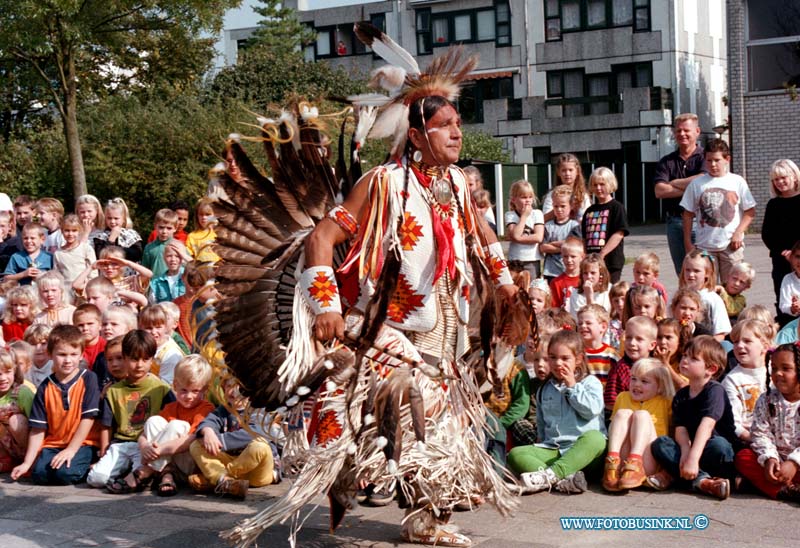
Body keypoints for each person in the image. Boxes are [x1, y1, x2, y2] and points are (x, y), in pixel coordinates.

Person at [507, 329, 606, 494]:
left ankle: (550, 476)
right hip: (556, 449)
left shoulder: (590, 382)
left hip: (585, 454)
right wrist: (540, 444)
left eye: (565, 358)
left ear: (579, 359)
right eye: (552, 357)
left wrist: (572, 386)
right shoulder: (544, 389)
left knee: (596, 439)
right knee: (515, 454)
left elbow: (591, 411)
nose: (558, 363)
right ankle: (566, 479)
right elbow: (541, 425)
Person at [107, 354, 214, 496]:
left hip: (188, 463)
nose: (189, 396)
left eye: (195, 391)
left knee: (177, 425)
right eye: (183, 390)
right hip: (166, 462)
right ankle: (165, 475)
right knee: (154, 421)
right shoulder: (170, 407)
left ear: (205, 390)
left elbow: (190, 440)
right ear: (175, 386)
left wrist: (159, 450)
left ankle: (145, 472)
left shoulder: (206, 408)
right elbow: (143, 435)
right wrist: (145, 447)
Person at [649, 335, 738, 499]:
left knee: (720, 444)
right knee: (661, 444)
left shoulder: (715, 391)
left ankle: (678, 476)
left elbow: (707, 425)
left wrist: (693, 458)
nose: (685, 360)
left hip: (713, 452)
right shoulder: (681, 396)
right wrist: (685, 452)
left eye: (693, 358)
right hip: (691, 451)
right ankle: (704, 483)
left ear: (711, 369)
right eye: (684, 355)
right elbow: (680, 429)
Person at [10, 325, 100, 484]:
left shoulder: (89, 379)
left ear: (81, 355)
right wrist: (27, 463)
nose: (68, 360)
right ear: (50, 354)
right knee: (39, 475)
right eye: (62, 354)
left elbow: (88, 418)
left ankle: (90, 466)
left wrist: (71, 450)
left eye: (73, 354)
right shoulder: (45, 387)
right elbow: (38, 429)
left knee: (65, 474)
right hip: (54, 443)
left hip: (83, 443)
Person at [86, 330, 174, 489]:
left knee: (138, 477)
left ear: (152, 360)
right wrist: (104, 453)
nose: (139, 365)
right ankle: (123, 471)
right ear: (125, 358)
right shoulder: (113, 391)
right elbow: (107, 425)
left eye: (145, 359)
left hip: (146, 446)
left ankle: (144, 474)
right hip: (120, 444)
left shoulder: (161, 388)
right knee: (96, 479)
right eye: (134, 359)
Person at [680, 139, 756, 284]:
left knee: (732, 288)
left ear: (727, 159)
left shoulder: (737, 181)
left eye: (717, 160)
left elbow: (750, 211)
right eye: (709, 160)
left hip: (730, 246)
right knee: (705, 288)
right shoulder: (697, 184)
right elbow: (688, 214)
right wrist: (688, 243)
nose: (713, 165)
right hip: (705, 247)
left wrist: (739, 232)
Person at [734, 343, 800, 501]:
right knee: (744, 457)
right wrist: (770, 458)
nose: (778, 374)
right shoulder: (767, 399)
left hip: (797, 463)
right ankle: (784, 491)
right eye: (774, 368)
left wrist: (794, 463)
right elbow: (760, 433)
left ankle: (763, 486)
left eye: (786, 368)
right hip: (775, 463)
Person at [603, 358, 674, 491]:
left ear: (660, 387)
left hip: (647, 460)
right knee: (623, 413)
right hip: (622, 459)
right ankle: (611, 465)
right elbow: (615, 429)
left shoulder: (665, 401)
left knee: (641, 415)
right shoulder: (622, 397)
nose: (636, 384)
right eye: (633, 379)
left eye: (644, 381)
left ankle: (635, 463)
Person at [653, 113, 706, 275]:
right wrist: (693, 185)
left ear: (697, 131)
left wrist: (674, 182)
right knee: (683, 272)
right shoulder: (666, 161)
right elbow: (659, 191)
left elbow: (704, 182)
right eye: (678, 131)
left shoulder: (706, 157)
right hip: (675, 222)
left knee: (703, 270)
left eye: (686, 130)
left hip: (701, 221)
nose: (682, 134)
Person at [761, 159, 800, 326]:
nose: (780, 182)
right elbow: (767, 234)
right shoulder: (773, 204)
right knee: (783, 297)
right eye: (776, 179)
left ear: (795, 177)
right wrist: (783, 251)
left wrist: (796, 253)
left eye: (784, 177)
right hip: (781, 259)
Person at [722, 319, 769, 445]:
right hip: (750, 440)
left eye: (747, 341)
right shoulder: (732, 380)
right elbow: (734, 422)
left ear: (765, 346)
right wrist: (757, 440)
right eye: (736, 342)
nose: (739, 346)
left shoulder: (775, 371)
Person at [581, 167, 629, 283]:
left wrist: (602, 254)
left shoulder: (617, 207)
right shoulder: (589, 211)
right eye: (595, 184)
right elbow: (584, 238)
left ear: (610, 184)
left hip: (611, 262)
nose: (598, 188)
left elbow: (619, 234)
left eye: (602, 184)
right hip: (591, 265)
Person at [605, 316, 658, 416]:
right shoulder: (620, 368)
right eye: (628, 338)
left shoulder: (657, 368)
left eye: (639, 339)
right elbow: (610, 403)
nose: (632, 343)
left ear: (652, 345)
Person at [679, 249, 731, 340]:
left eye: (696, 271)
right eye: (687, 270)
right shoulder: (678, 297)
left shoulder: (713, 299)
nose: (691, 274)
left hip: (706, 346)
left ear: (707, 273)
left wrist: (706, 348)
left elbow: (720, 333)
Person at [0, 349, 34, 473]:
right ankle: (6, 461)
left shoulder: (22, 392)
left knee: (16, 420)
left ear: (14, 371)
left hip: (26, 446)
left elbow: (37, 425)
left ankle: (31, 461)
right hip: (5, 447)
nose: (3, 378)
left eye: (7, 372)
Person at [541, 185, 582, 280]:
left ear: (571, 206)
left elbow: (574, 245)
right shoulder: (548, 226)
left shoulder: (574, 225)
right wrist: (564, 247)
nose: (559, 209)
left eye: (563, 206)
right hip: (550, 271)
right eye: (556, 206)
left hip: (569, 270)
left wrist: (553, 244)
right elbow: (543, 247)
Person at [505, 180, 544, 279]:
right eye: (523, 197)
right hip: (515, 259)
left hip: (532, 259)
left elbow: (538, 237)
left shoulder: (537, 213)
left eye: (530, 197)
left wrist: (517, 238)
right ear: (514, 199)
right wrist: (524, 217)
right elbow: (514, 234)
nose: (528, 200)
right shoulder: (510, 215)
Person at [139, 304, 185, 385]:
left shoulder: (171, 354)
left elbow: (165, 387)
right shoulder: (143, 344)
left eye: (158, 327)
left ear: (165, 327)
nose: (153, 332)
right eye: (148, 328)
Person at [541, 153, 591, 222]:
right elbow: (543, 220)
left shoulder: (583, 195)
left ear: (577, 172)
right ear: (558, 172)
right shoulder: (552, 195)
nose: (567, 174)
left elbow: (587, 218)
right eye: (564, 170)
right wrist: (560, 206)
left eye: (570, 170)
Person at [578, 304, 618, 390]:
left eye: (588, 323)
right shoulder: (576, 353)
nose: (583, 326)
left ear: (603, 327)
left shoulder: (611, 355)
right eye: (580, 323)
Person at [92, 198, 143, 263]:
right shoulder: (100, 236)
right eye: (109, 218)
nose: (112, 221)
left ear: (123, 219)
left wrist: (119, 250)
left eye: (116, 218)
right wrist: (111, 239)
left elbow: (137, 254)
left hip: (129, 271)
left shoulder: (131, 234)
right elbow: (100, 255)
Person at [54, 214, 97, 286]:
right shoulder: (58, 253)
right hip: (66, 290)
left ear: (80, 231)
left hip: (84, 289)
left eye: (74, 231)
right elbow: (56, 274)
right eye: (67, 230)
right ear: (62, 231)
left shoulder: (86, 249)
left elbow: (93, 272)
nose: (70, 234)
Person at [142, 209, 178, 278]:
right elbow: (144, 270)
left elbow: (186, 267)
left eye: (169, 228)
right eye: (161, 227)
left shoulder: (178, 247)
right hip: (154, 286)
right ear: (155, 226)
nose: (164, 231)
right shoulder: (149, 248)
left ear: (175, 228)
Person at [654, 318, 688, 391]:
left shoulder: (685, 362)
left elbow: (685, 388)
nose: (663, 342)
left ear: (680, 340)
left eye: (668, 337)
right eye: (659, 337)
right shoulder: (651, 360)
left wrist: (666, 365)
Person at [185, 198, 220, 264]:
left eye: (207, 214)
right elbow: (188, 257)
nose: (204, 217)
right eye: (201, 214)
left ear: (215, 215)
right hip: (200, 271)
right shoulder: (192, 236)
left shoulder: (221, 234)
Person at [72, 304, 106, 372]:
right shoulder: (73, 348)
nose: (85, 328)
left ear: (100, 325)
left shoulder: (106, 347)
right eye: (80, 325)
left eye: (90, 324)